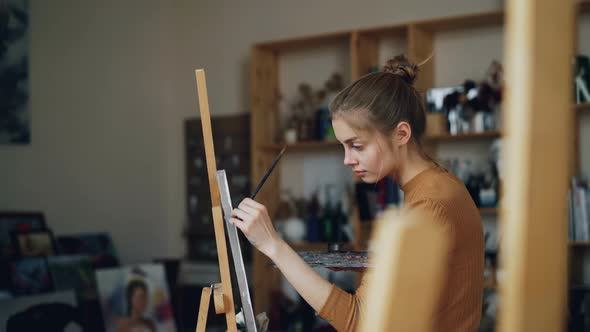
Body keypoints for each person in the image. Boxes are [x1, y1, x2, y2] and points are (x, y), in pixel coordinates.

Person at [230, 55, 484, 332]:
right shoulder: (438, 185)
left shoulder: (430, 203)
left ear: (401, 134)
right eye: (343, 146)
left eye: (357, 146)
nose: (347, 159)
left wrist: (273, 246)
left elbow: (360, 322)